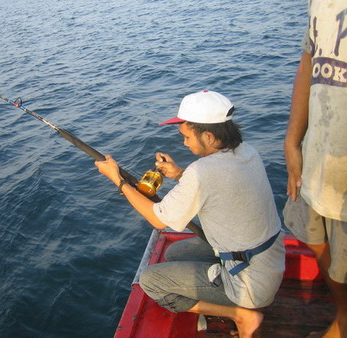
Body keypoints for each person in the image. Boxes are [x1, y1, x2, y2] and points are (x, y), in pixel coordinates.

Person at [95, 90, 285, 337]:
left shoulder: (201, 172)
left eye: (186, 136)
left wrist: (118, 180)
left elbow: (158, 219)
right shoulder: (246, 151)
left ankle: (242, 314)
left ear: (208, 135)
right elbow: (219, 183)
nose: (184, 143)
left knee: (150, 280)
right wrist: (178, 174)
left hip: (250, 285)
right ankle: (229, 296)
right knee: (175, 252)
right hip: (269, 262)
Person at [283, 1, 347, 337]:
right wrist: (292, 140)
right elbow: (309, 59)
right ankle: (342, 317)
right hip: (316, 160)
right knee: (314, 237)